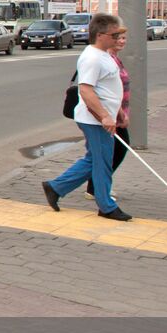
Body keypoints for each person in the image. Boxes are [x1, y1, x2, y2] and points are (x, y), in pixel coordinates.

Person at [42, 13, 132, 221]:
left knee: (94, 159)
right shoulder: (92, 58)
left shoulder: (104, 54)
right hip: (94, 119)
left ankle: (55, 187)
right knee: (103, 162)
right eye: (115, 34)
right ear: (101, 35)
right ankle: (106, 206)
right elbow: (86, 91)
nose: (118, 38)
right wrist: (105, 117)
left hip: (103, 116)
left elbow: (108, 88)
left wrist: (117, 112)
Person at [86, 26, 130, 198]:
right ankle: (97, 187)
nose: (121, 41)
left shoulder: (115, 59)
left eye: (124, 38)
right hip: (108, 113)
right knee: (113, 150)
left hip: (115, 112)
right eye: (117, 37)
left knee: (104, 152)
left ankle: (96, 186)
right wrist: (117, 113)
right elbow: (98, 89)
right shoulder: (103, 59)